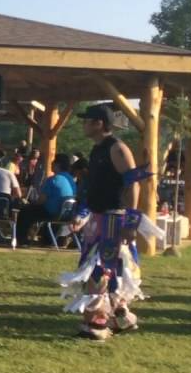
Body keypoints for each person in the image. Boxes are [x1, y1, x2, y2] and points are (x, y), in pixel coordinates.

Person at [59, 104, 162, 341]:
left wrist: (130, 223)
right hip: (98, 218)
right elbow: (96, 187)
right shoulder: (97, 150)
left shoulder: (117, 148)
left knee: (102, 270)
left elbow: (133, 183)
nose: (83, 125)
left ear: (99, 123)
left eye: (87, 121)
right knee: (103, 270)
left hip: (114, 219)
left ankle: (97, 323)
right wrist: (82, 214)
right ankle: (121, 318)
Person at [14, 154, 76, 243]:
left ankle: (21, 239)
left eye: (53, 162)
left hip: (52, 213)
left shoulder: (53, 179)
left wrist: (29, 203)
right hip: (67, 214)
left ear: (57, 165)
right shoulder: (71, 180)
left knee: (25, 211)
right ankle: (47, 238)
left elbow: (41, 200)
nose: (51, 164)